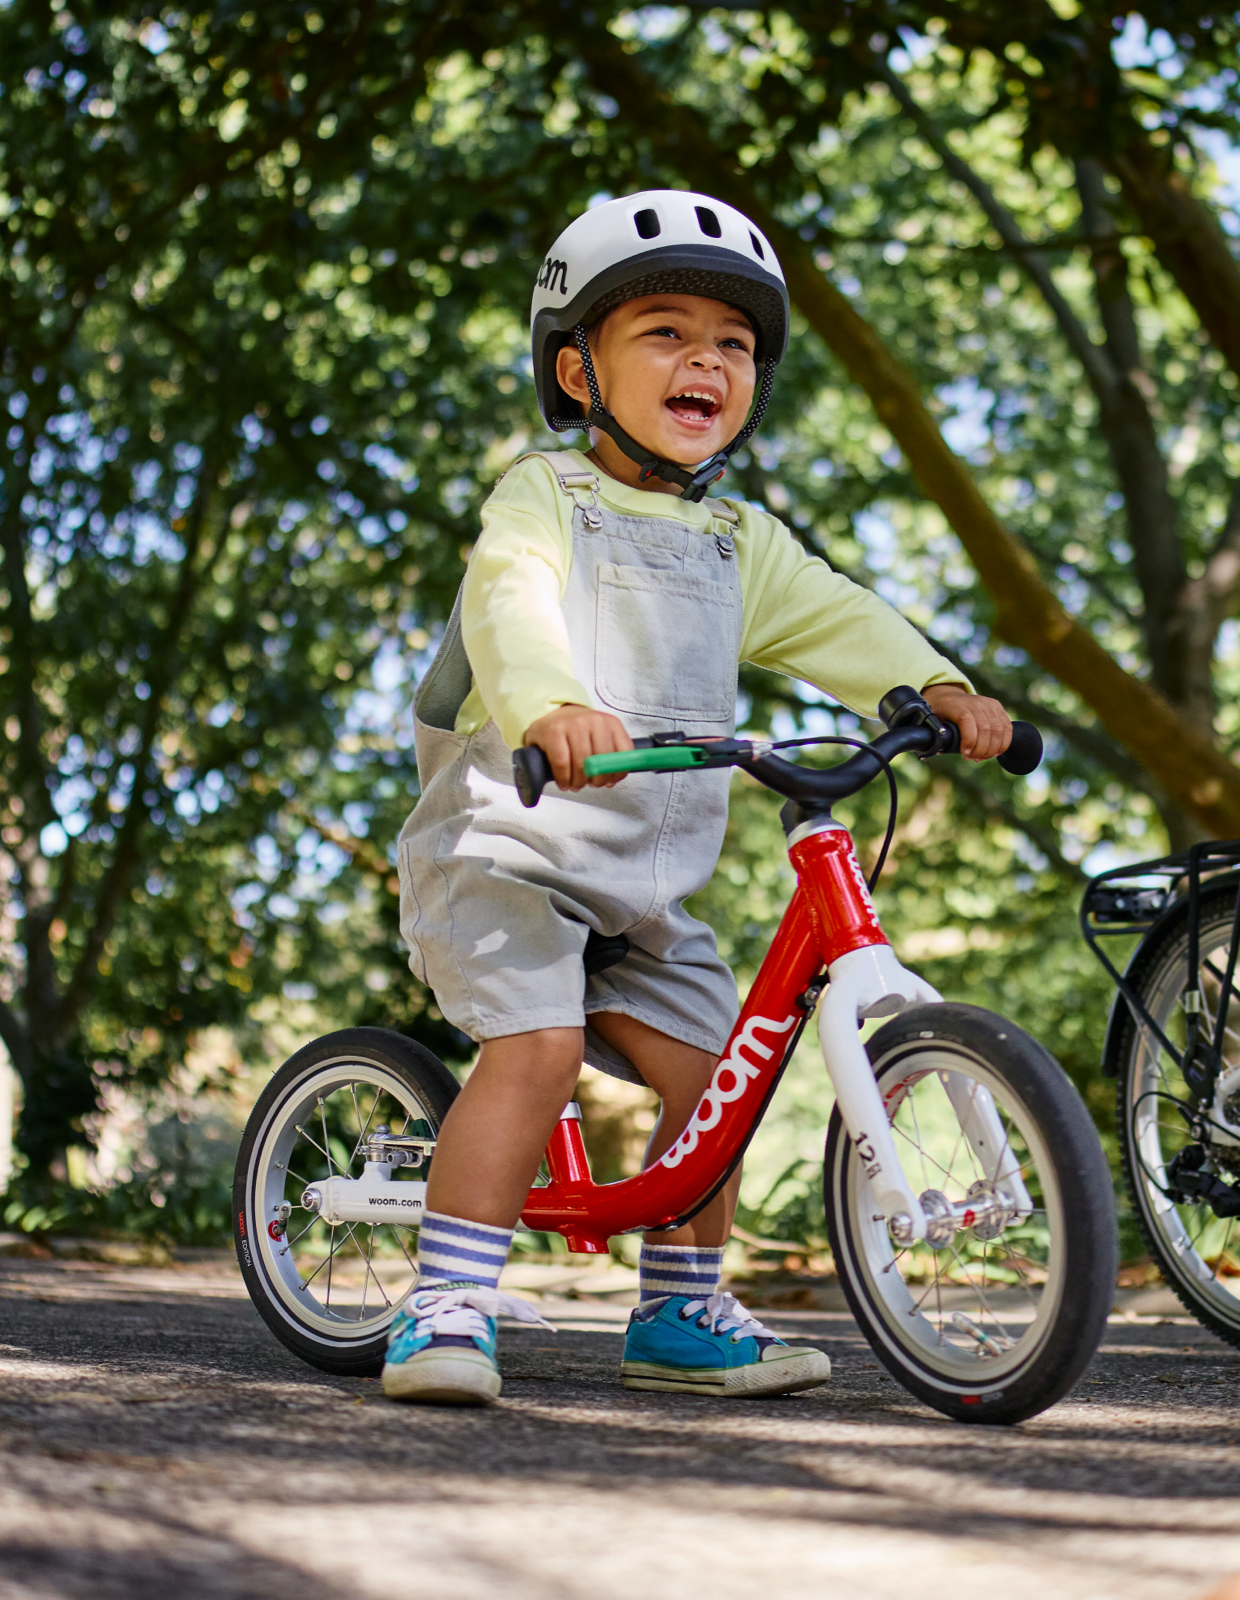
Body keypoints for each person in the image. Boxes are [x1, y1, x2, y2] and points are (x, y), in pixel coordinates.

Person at [385, 189, 1017, 1405]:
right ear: (579, 369)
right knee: (538, 1047)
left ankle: (679, 1308)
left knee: (721, 1072)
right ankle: (446, 1302)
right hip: (505, 849)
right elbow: (510, 597)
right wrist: (550, 706)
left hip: (640, 890)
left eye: (733, 343)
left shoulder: (736, 540)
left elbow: (839, 615)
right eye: (666, 332)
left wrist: (936, 686)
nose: (707, 361)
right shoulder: (545, 496)